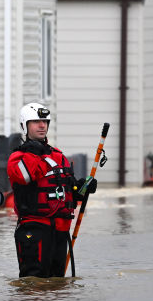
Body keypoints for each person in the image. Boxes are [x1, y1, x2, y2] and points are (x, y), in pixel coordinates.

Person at [6, 102, 96, 278]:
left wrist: (83, 188)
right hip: (35, 229)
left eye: (45, 121)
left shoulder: (57, 155)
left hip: (60, 231)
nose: (42, 125)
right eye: (36, 122)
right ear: (25, 125)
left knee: (57, 283)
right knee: (34, 282)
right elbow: (24, 176)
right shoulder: (18, 157)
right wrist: (34, 154)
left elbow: (69, 192)